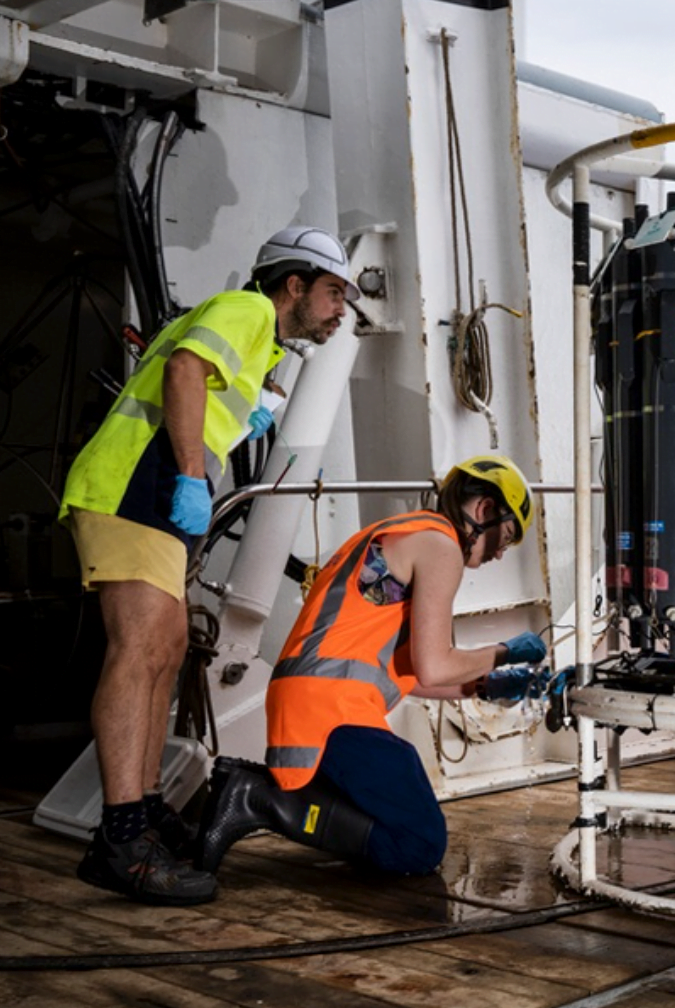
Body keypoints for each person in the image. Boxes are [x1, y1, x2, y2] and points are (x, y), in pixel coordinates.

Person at [60, 226, 359, 905]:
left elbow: (200, 385)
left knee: (164, 652)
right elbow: (184, 371)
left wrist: (238, 421)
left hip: (152, 497)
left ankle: (140, 813)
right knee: (139, 652)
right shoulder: (250, 309)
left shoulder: (259, 337)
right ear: (294, 286)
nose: (341, 309)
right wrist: (194, 479)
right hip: (136, 488)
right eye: (333, 292)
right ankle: (120, 838)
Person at [191, 455, 548, 882]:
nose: (501, 553)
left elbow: (407, 673)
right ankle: (256, 798)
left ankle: (253, 789)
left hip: (308, 698)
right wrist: (505, 651)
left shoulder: (395, 533)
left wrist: (483, 685)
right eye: (505, 538)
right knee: (420, 843)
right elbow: (434, 666)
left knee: (395, 808)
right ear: (486, 509)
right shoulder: (441, 546)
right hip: (332, 711)